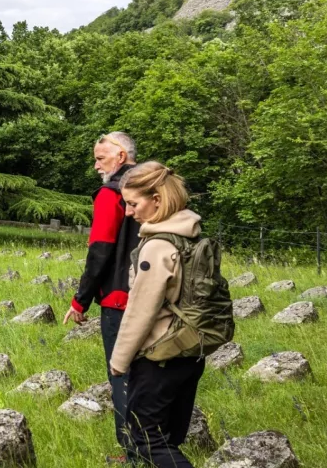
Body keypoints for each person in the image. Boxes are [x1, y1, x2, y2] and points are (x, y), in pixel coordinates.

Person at [109, 162, 205, 467]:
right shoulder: (191, 236)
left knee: (147, 440)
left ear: (157, 200)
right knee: (169, 437)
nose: (128, 211)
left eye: (133, 203)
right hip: (190, 352)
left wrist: (118, 360)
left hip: (159, 356)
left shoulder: (159, 246)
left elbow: (142, 310)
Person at [63, 132, 140, 453]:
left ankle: (133, 451)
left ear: (120, 156)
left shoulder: (112, 194)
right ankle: (155, 444)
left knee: (121, 375)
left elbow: (101, 250)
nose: (96, 165)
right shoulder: (152, 188)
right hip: (153, 294)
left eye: (100, 158)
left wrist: (79, 301)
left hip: (119, 299)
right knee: (147, 376)